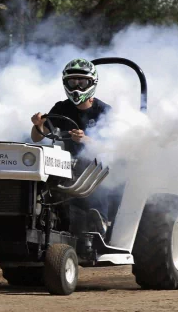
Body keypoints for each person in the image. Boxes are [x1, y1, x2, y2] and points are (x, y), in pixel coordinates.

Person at [30, 58, 111, 236]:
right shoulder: (61, 108)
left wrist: (86, 140)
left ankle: (101, 221)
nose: (77, 87)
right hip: (66, 164)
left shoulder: (104, 111)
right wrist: (38, 125)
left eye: (82, 82)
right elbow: (37, 137)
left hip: (98, 165)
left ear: (92, 83)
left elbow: (113, 146)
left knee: (86, 167)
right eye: (72, 82)